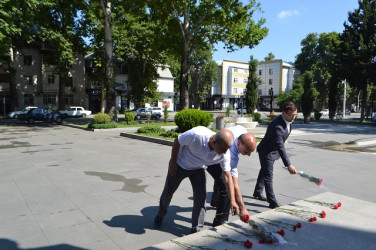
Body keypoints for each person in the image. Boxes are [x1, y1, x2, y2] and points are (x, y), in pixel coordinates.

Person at [154, 126, 238, 233]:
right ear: (214, 141)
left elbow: (227, 176)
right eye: (222, 149)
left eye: (227, 149)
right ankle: (160, 215)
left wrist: (233, 201)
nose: (225, 153)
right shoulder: (196, 135)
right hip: (180, 166)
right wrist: (173, 162)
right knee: (168, 192)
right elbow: (177, 141)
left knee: (201, 198)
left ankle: (197, 228)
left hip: (198, 169)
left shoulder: (225, 153)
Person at [208, 125, 257, 227]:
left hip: (220, 148)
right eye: (246, 151)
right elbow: (234, 184)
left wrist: (241, 206)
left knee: (223, 180)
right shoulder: (230, 155)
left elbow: (237, 126)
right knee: (226, 187)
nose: (248, 155)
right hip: (209, 157)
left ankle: (215, 201)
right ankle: (219, 221)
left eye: (250, 152)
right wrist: (242, 207)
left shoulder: (242, 131)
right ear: (239, 143)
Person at [253, 101, 298, 209]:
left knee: (264, 170)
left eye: (295, 115)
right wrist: (289, 165)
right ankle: (272, 201)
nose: (293, 118)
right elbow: (281, 147)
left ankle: (258, 192)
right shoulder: (276, 126)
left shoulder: (288, 121)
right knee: (268, 175)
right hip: (266, 151)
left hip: (273, 149)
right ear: (283, 113)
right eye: (291, 115)